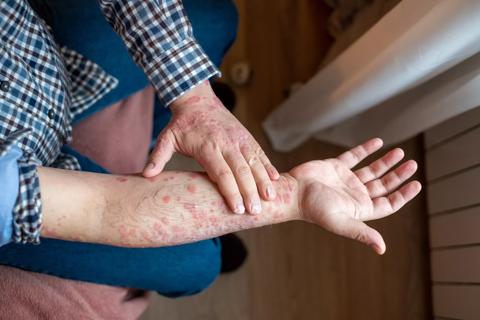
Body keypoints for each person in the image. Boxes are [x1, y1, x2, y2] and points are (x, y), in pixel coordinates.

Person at [0, 0, 421, 318]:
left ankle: (164, 130)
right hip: (35, 171)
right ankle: (163, 137)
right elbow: (103, 207)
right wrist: (292, 196)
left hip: (43, 65)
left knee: (217, 18)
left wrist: (194, 99)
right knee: (198, 263)